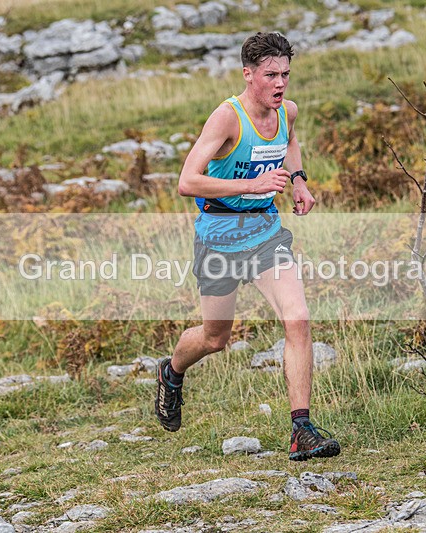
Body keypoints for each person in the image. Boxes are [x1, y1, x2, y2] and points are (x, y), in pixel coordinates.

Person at [155, 32, 340, 461]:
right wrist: (251, 185)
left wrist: (299, 181)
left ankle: (301, 430)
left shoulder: (287, 112)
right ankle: (171, 371)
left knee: (298, 319)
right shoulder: (227, 118)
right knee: (215, 338)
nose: (280, 83)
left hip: (265, 234)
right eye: (271, 75)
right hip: (218, 239)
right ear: (248, 74)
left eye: (286, 74)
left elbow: (289, 142)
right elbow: (187, 181)